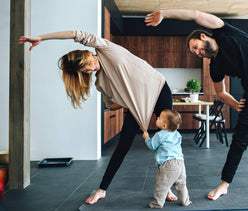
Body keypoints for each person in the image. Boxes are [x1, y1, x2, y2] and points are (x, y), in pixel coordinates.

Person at [145, 9, 248, 200]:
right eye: (194, 52)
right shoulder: (215, 67)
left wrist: (164, 13)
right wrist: (235, 104)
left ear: (204, 36)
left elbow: (195, 14)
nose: (198, 52)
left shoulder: (224, 32)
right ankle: (224, 185)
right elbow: (220, 92)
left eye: (196, 46)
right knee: (239, 143)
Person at [17, 31, 176, 204]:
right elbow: (111, 104)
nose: (90, 68)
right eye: (85, 70)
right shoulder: (100, 82)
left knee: (167, 142)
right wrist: (123, 99)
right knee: (123, 146)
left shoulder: (104, 48)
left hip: (159, 89)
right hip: (137, 106)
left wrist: (42, 38)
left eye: (87, 63)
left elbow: (75, 33)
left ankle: (166, 187)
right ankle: (102, 190)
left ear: (87, 54)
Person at [142, 109, 191, 208]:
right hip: (180, 163)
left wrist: (146, 138)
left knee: (161, 185)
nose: (157, 118)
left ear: (164, 126)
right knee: (181, 185)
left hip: (168, 165)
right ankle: (185, 201)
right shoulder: (177, 134)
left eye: (159, 118)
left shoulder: (159, 135)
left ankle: (158, 203)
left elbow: (152, 146)